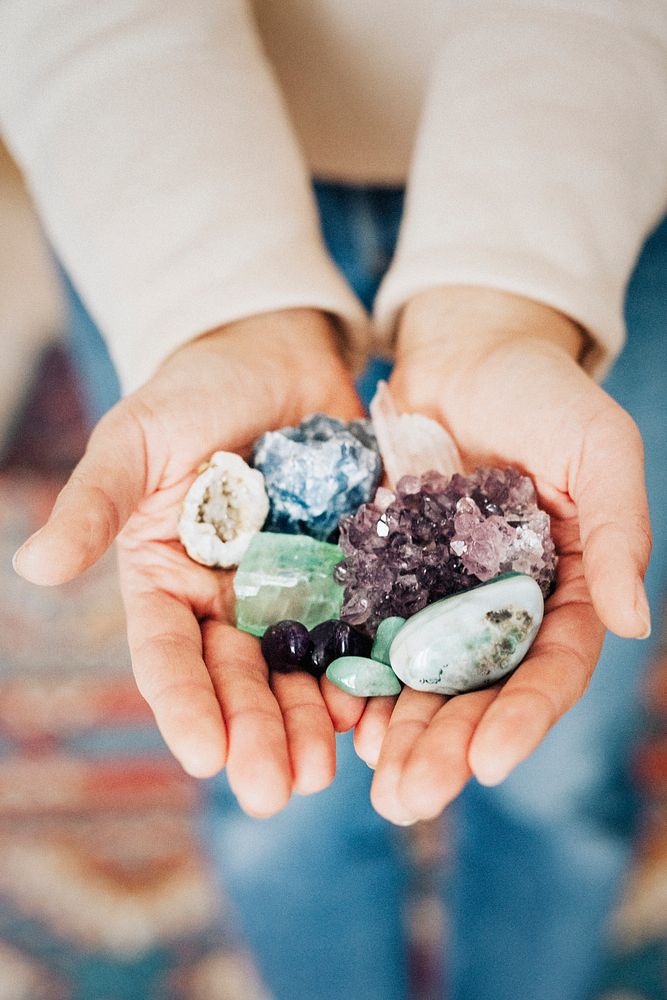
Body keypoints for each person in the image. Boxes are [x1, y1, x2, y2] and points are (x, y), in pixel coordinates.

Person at [3, 2, 666, 997]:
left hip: (599, 160)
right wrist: (206, 305)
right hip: (156, 173)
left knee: (560, 766)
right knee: (270, 787)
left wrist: (512, 295)